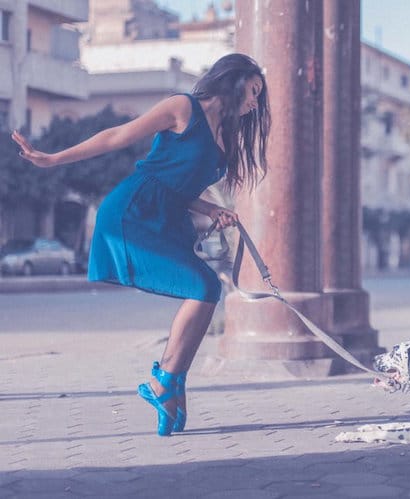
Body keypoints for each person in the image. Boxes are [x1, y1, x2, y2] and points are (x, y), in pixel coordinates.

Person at [11, 53, 271, 436]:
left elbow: (179, 186)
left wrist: (212, 208)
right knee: (203, 287)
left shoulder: (224, 135)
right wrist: (53, 159)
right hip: (132, 213)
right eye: (253, 91)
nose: (255, 102)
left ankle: (171, 384)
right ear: (233, 81)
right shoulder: (183, 108)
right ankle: (165, 381)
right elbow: (117, 135)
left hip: (168, 216)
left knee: (205, 287)